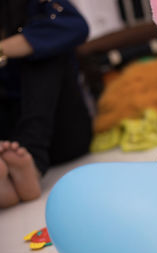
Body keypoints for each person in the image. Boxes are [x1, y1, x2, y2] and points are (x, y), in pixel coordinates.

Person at [0, 0, 92, 208]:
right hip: (7, 138)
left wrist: (3, 50)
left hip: (61, 131)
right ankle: (9, 184)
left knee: (45, 47)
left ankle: (31, 163)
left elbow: (76, 26)